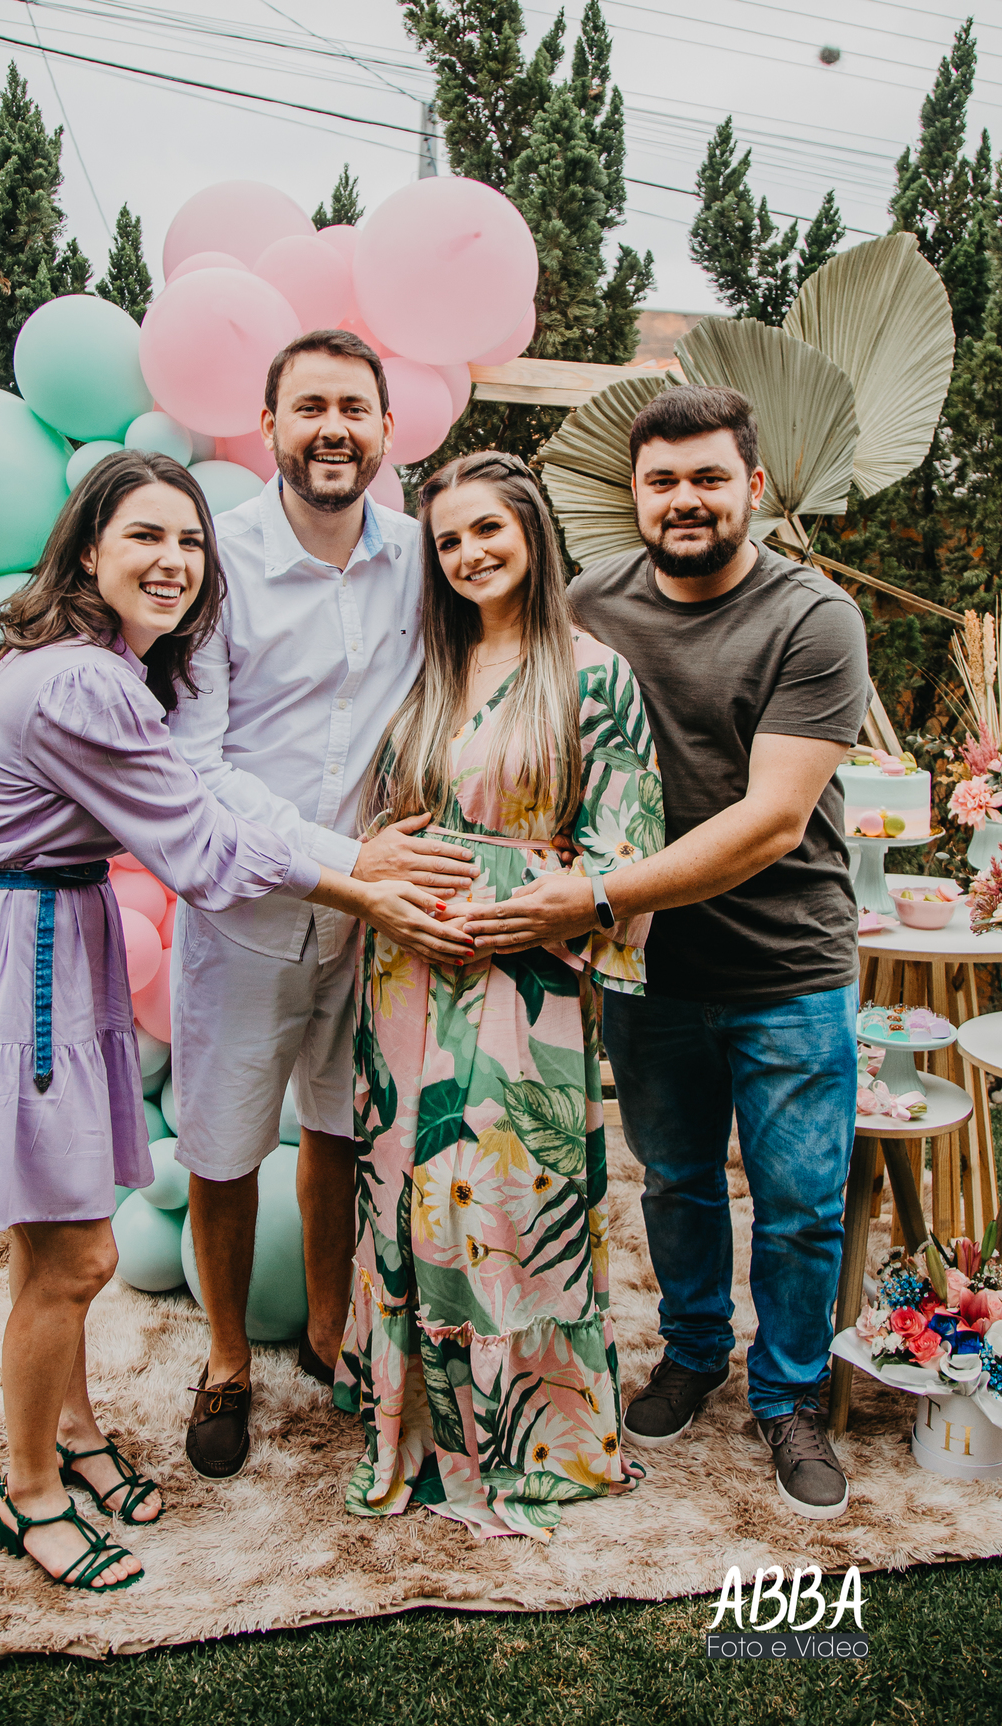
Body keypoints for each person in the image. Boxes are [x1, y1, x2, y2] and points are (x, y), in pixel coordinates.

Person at [0, 450, 465, 1594]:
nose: (175, 559)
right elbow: (197, 846)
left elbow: (196, 803)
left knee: (48, 1232)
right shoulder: (87, 684)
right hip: (26, 955)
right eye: (145, 535)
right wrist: (366, 880)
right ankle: (30, 1494)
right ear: (87, 549)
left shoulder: (101, 665)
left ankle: (74, 1436)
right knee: (79, 1254)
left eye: (191, 540)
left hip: (47, 930)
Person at [463, 386, 870, 1521]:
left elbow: (772, 820)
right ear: (634, 494)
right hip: (648, 971)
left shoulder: (815, 618)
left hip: (789, 963)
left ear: (753, 487)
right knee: (676, 1180)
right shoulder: (588, 605)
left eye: (708, 478)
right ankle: (693, 1351)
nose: (685, 499)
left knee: (799, 1203)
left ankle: (788, 1397)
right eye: (662, 481)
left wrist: (591, 895)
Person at [334, 449, 663, 1539]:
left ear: (532, 533)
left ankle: (529, 1434)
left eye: (488, 530)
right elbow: (382, 821)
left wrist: (529, 911)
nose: (469, 553)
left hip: (526, 980)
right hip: (404, 971)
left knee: (504, 1201)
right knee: (405, 1186)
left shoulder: (595, 676)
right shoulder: (429, 670)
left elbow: (625, 855)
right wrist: (386, 886)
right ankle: (413, 1425)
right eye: (448, 540)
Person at [169, 330, 479, 1481]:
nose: (333, 428)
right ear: (269, 425)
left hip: (375, 921)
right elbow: (201, 768)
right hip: (248, 911)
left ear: (390, 429)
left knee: (343, 1128)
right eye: (310, 407)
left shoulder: (419, 557)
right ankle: (224, 1362)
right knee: (223, 1143)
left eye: (355, 407)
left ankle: (329, 1331)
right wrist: (352, 859)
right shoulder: (219, 563)